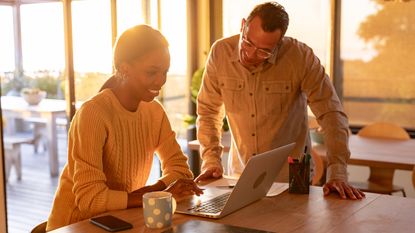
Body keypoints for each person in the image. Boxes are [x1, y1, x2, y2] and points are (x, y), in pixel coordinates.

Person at [194, 2, 364, 200]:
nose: (250, 55)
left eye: (263, 51)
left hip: (293, 179)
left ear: (279, 42)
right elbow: (208, 112)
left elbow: (332, 114)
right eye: (247, 43)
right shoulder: (220, 53)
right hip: (240, 176)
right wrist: (211, 161)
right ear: (242, 26)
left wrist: (338, 173)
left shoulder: (300, 57)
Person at [46, 25, 203, 231]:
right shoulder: (93, 114)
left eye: (165, 71)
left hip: (120, 220)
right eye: (152, 72)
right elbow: (91, 200)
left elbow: (180, 171)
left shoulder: (154, 111)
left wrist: (154, 192)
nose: (161, 80)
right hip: (75, 225)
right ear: (123, 68)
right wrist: (157, 194)